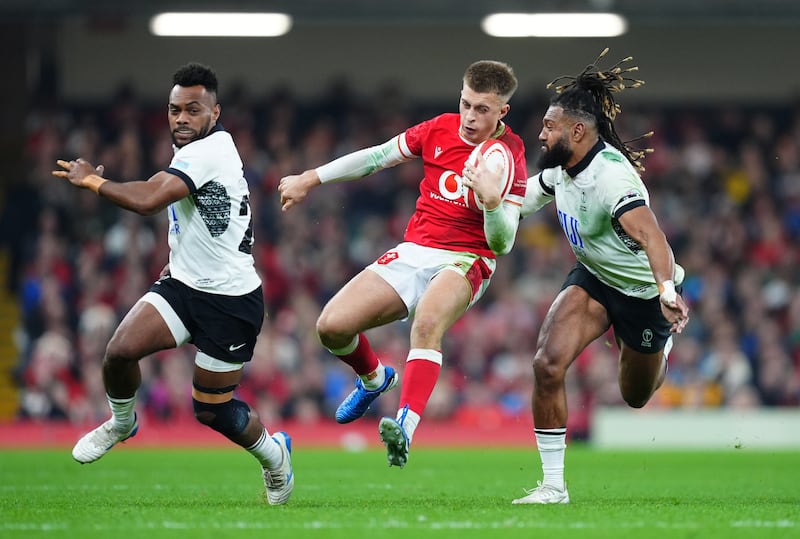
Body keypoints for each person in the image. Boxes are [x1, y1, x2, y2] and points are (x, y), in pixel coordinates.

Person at [52, 62, 294, 505]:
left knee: (212, 411)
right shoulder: (197, 151)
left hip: (230, 301)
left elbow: (148, 199)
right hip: (184, 286)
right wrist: (177, 260)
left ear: (215, 113)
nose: (181, 118)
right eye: (174, 109)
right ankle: (122, 423)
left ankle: (276, 458)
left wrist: (92, 180)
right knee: (120, 352)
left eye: (192, 109)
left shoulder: (209, 151)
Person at [462, 49, 690, 504]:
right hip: (593, 278)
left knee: (636, 395)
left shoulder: (611, 180)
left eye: (550, 127)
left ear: (578, 131)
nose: (542, 135)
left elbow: (653, 237)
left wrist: (666, 291)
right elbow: (520, 203)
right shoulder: (562, 171)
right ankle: (552, 486)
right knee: (547, 364)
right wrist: (489, 194)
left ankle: (659, 345)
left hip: (643, 292)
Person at [278, 60, 527, 468]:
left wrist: (493, 203)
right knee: (331, 327)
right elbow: (378, 157)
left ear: (503, 112)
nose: (469, 116)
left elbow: (502, 242)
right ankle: (375, 378)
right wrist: (311, 177)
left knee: (426, 324)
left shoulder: (509, 156)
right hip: (415, 249)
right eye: (466, 103)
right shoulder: (439, 128)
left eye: (482, 109)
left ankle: (404, 427)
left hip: (469, 257)